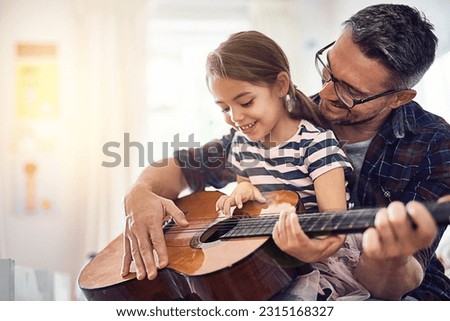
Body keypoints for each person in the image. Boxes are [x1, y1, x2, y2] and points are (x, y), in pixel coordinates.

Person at [121, 4, 450, 300]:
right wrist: (140, 193)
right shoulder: (289, 116)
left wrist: (386, 256)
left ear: (399, 98)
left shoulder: (436, 144)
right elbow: (183, 166)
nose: (325, 92)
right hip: (287, 274)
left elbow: (391, 285)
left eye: (350, 91)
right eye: (328, 70)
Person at [207, 31, 366, 300]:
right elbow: (248, 189)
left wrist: (310, 251)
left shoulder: (317, 145)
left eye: (246, 102)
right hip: (271, 256)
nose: (235, 117)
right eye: (224, 108)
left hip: (322, 258)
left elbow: (336, 226)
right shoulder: (242, 145)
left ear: (281, 85)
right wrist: (241, 193)